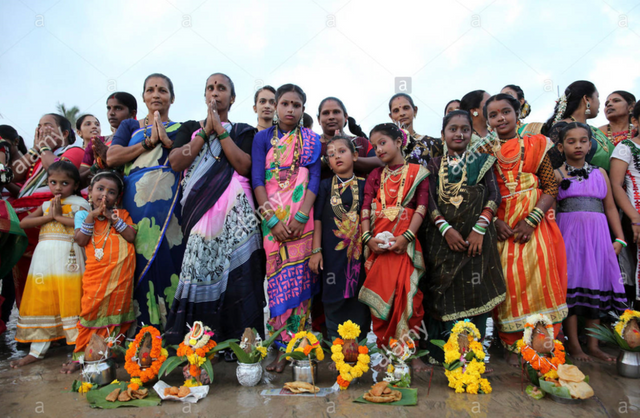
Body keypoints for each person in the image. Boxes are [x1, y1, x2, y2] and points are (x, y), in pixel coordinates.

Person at [164, 73, 265, 355]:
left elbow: (244, 165)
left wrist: (221, 130)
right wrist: (205, 132)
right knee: (199, 272)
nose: (215, 92)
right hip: (200, 214)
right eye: (210, 87)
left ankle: (240, 345)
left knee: (241, 274)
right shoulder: (190, 129)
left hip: (239, 216)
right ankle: (201, 344)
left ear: (232, 98)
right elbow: (176, 161)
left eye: (222, 88)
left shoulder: (244, 131)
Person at [478, 94, 567, 364]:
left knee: (541, 277)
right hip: (502, 224)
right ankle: (512, 344)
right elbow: (478, 192)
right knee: (508, 281)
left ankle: (544, 341)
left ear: (518, 113)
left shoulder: (539, 143)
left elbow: (552, 185)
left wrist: (532, 220)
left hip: (536, 222)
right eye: (493, 115)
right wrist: (495, 222)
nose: (500, 118)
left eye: (506, 111)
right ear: (488, 121)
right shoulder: (482, 151)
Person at [424, 110, 506, 361]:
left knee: (475, 291)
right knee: (442, 295)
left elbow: (494, 196)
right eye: (453, 129)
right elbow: (428, 201)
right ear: (443, 134)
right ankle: (442, 355)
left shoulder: (482, 161)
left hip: (477, 243)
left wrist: (479, 230)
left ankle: (472, 357)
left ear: (472, 133)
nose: (459, 133)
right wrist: (446, 230)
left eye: (465, 129)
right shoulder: (434, 165)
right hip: (442, 244)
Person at [252, 84, 321, 372]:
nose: (290, 109)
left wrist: (302, 216)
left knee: (299, 284)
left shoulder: (311, 139)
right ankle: (279, 349)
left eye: (296, 105)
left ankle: (298, 348)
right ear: (276, 107)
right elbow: (257, 179)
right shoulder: (262, 139)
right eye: (285, 104)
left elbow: (314, 179)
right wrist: (271, 220)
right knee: (276, 283)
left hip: (301, 221)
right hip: (272, 222)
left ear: (303, 109)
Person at [107, 73, 185, 328]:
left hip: (170, 204)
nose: (156, 95)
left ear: (172, 98)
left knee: (171, 258)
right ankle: (140, 330)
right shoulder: (130, 127)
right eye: (150, 90)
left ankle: (172, 329)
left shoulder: (184, 127)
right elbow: (113, 157)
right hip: (135, 203)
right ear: (143, 97)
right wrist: (148, 143)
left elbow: (186, 155)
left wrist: (167, 141)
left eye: (162, 90)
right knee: (138, 257)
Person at [358, 123, 430, 372]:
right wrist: (368, 239)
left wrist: (407, 237)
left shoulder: (418, 172)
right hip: (378, 248)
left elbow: (421, 208)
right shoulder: (375, 176)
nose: (378, 149)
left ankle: (413, 354)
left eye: (382, 143)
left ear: (399, 141)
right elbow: (365, 208)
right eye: (374, 145)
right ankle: (387, 353)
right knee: (381, 306)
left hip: (405, 248)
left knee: (412, 300)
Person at [554, 122, 627, 362]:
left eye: (583, 141)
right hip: (568, 237)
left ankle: (594, 344)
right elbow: (552, 211)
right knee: (571, 290)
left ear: (590, 144)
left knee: (595, 286)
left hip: (597, 237)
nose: (577, 145)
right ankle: (574, 345)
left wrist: (620, 238)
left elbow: (610, 208)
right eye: (571, 141)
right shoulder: (557, 174)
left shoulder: (600, 173)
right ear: (561, 146)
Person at [11, 161, 90, 369]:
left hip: (69, 258)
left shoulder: (81, 204)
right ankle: (37, 350)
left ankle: (79, 351)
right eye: (53, 182)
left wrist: (57, 217)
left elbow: (85, 223)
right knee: (43, 299)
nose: (57, 187)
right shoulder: (46, 205)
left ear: (74, 185)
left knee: (71, 299)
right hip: (43, 258)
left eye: (64, 183)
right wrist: (49, 216)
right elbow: (24, 222)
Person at [10, 114, 84, 308]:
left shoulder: (73, 150)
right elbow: (15, 174)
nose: (42, 130)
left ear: (65, 133)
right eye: (39, 126)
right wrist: (35, 149)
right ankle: (30, 317)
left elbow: (60, 171)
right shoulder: (38, 156)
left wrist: (43, 148)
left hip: (53, 216)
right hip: (28, 216)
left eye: (48, 126)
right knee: (27, 271)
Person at [66, 170, 136, 373]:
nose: (105, 195)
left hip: (121, 280)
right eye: (100, 189)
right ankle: (80, 357)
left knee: (118, 317)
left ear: (118, 197)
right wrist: (92, 216)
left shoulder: (121, 215)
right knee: (89, 314)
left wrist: (111, 218)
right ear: (89, 191)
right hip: (96, 279)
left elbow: (130, 236)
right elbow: (80, 240)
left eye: (111, 192)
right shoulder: (82, 215)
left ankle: (109, 354)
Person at [309, 135, 371, 342]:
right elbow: (317, 219)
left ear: (355, 156)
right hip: (331, 253)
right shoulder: (325, 186)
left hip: (358, 255)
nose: (337, 157)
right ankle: (336, 349)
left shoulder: (366, 185)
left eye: (342, 151)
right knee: (333, 296)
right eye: (331, 154)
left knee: (358, 298)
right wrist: (316, 251)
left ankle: (358, 351)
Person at [541, 80, 613, 170]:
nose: (599, 103)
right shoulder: (561, 128)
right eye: (597, 97)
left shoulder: (595, 130)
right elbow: (553, 168)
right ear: (586, 99)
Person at [610, 101, 640, 304]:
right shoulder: (626, 147)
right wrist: (635, 218)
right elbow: (615, 185)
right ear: (635, 120)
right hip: (636, 214)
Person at [0, 131, 28, 333]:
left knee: (10, 273)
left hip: (9, 220)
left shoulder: (3, 146)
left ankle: (2, 319)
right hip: (8, 219)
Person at [80, 92, 138, 183]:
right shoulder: (97, 142)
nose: (111, 113)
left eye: (118, 108)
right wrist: (99, 165)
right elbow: (79, 181)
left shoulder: (138, 138)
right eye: (109, 108)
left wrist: (112, 160)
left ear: (132, 113)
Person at [317, 96, 380, 179]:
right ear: (318, 120)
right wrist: (325, 160)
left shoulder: (361, 142)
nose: (331, 117)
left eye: (336, 112)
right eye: (326, 113)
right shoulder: (312, 144)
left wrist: (348, 157)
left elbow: (381, 162)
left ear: (346, 117)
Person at [388, 93, 442, 166]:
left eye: (406, 108)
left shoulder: (432, 143)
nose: (402, 113)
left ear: (415, 110)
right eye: (396, 110)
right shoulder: (387, 147)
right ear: (391, 117)